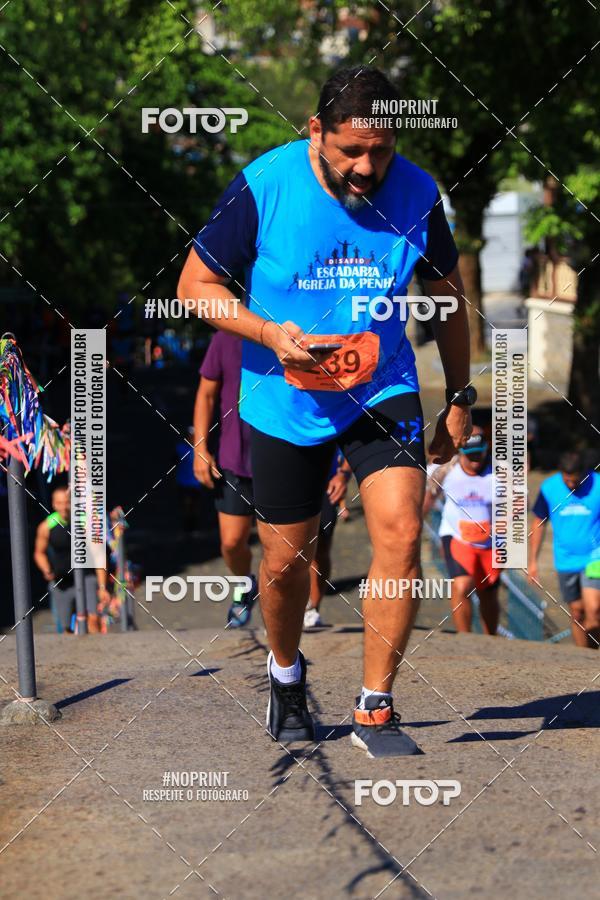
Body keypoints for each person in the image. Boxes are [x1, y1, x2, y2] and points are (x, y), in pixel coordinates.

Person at [178, 66, 473, 757]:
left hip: (380, 386)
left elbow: (448, 296)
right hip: (284, 398)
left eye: (382, 149)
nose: (368, 166)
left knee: (399, 532)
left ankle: (376, 705)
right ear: (316, 131)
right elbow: (196, 285)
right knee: (285, 565)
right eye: (351, 151)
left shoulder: (418, 192)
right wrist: (267, 333)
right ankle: (285, 672)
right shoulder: (264, 186)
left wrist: (461, 396)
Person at [424, 429, 499, 634]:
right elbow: (427, 499)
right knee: (462, 585)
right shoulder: (446, 470)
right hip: (456, 537)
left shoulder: (500, 471)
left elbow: (519, 503)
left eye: (479, 453)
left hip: (489, 541)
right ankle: (464, 638)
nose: (475, 459)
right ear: (461, 451)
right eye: (470, 454)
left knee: (488, 592)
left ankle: (490, 639)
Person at [529, 451, 600, 649]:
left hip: (595, 558)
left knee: (594, 611)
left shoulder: (598, 484)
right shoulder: (549, 488)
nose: (570, 485)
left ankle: (594, 653)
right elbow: (539, 523)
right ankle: (584, 656)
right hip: (565, 560)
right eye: (566, 480)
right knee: (577, 612)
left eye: (575, 481)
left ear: (584, 473)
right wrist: (533, 561)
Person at [33, 486, 110, 633]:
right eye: (59, 503)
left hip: (87, 576)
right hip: (62, 581)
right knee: (66, 628)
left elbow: (99, 555)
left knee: (93, 620)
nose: (64, 507)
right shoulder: (46, 526)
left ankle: (97, 653)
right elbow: (39, 553)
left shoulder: (85, 523)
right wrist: (46, 569)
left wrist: (102, 587)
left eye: (67, 502)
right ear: (54, 504)